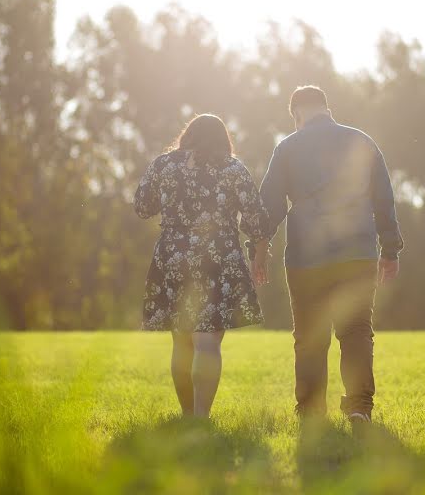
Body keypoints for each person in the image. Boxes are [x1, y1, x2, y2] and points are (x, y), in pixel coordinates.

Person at [250, 85, 403, 425]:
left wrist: (259, 251)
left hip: (306, 258)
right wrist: (390, 250)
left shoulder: (288, 147)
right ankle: (360, 407)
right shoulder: (363, 141)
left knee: (309, 336)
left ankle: (311, 411)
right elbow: (384, 201)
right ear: (326, 108)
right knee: (356, 330)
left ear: (297, 114)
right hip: (358, 252)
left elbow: (269, 207)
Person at [134, 114, 270, 418]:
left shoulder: (164, 165)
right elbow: (257, 219)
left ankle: (186, 415)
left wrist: (171, 198)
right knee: (207, 341)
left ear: (188, 136)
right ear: (223, 140)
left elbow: (143, 206)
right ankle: (201, 416)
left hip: (173, 257)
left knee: (181, 342)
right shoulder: (232, 168)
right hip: (218, 258)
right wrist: (260, 256)